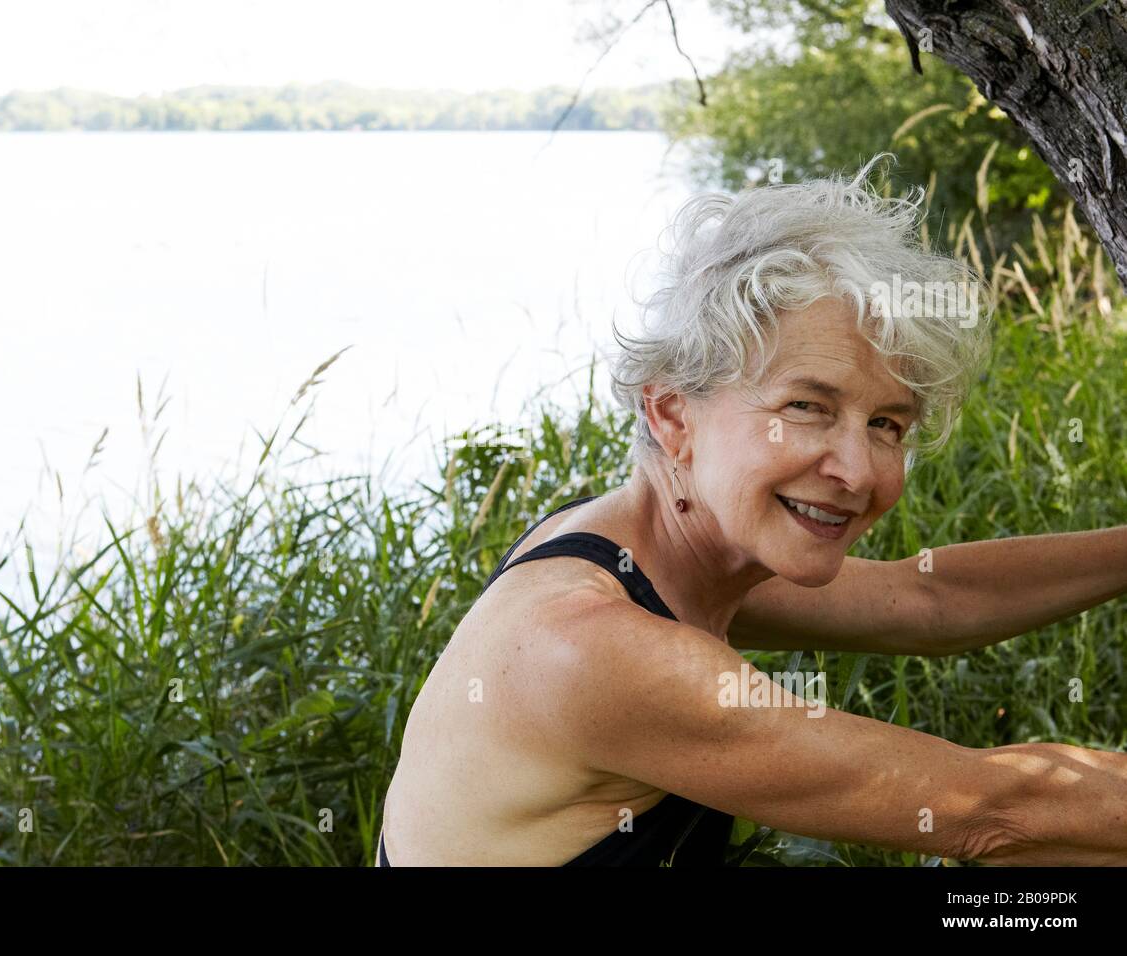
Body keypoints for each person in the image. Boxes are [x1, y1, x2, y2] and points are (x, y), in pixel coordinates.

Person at [376, 155, 1127, 866]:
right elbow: (992, 814)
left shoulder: (650, 542)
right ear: (673, 416)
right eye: (806, 407)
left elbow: (930, 598)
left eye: (887, 424)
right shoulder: (595, 649)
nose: (857, 470)